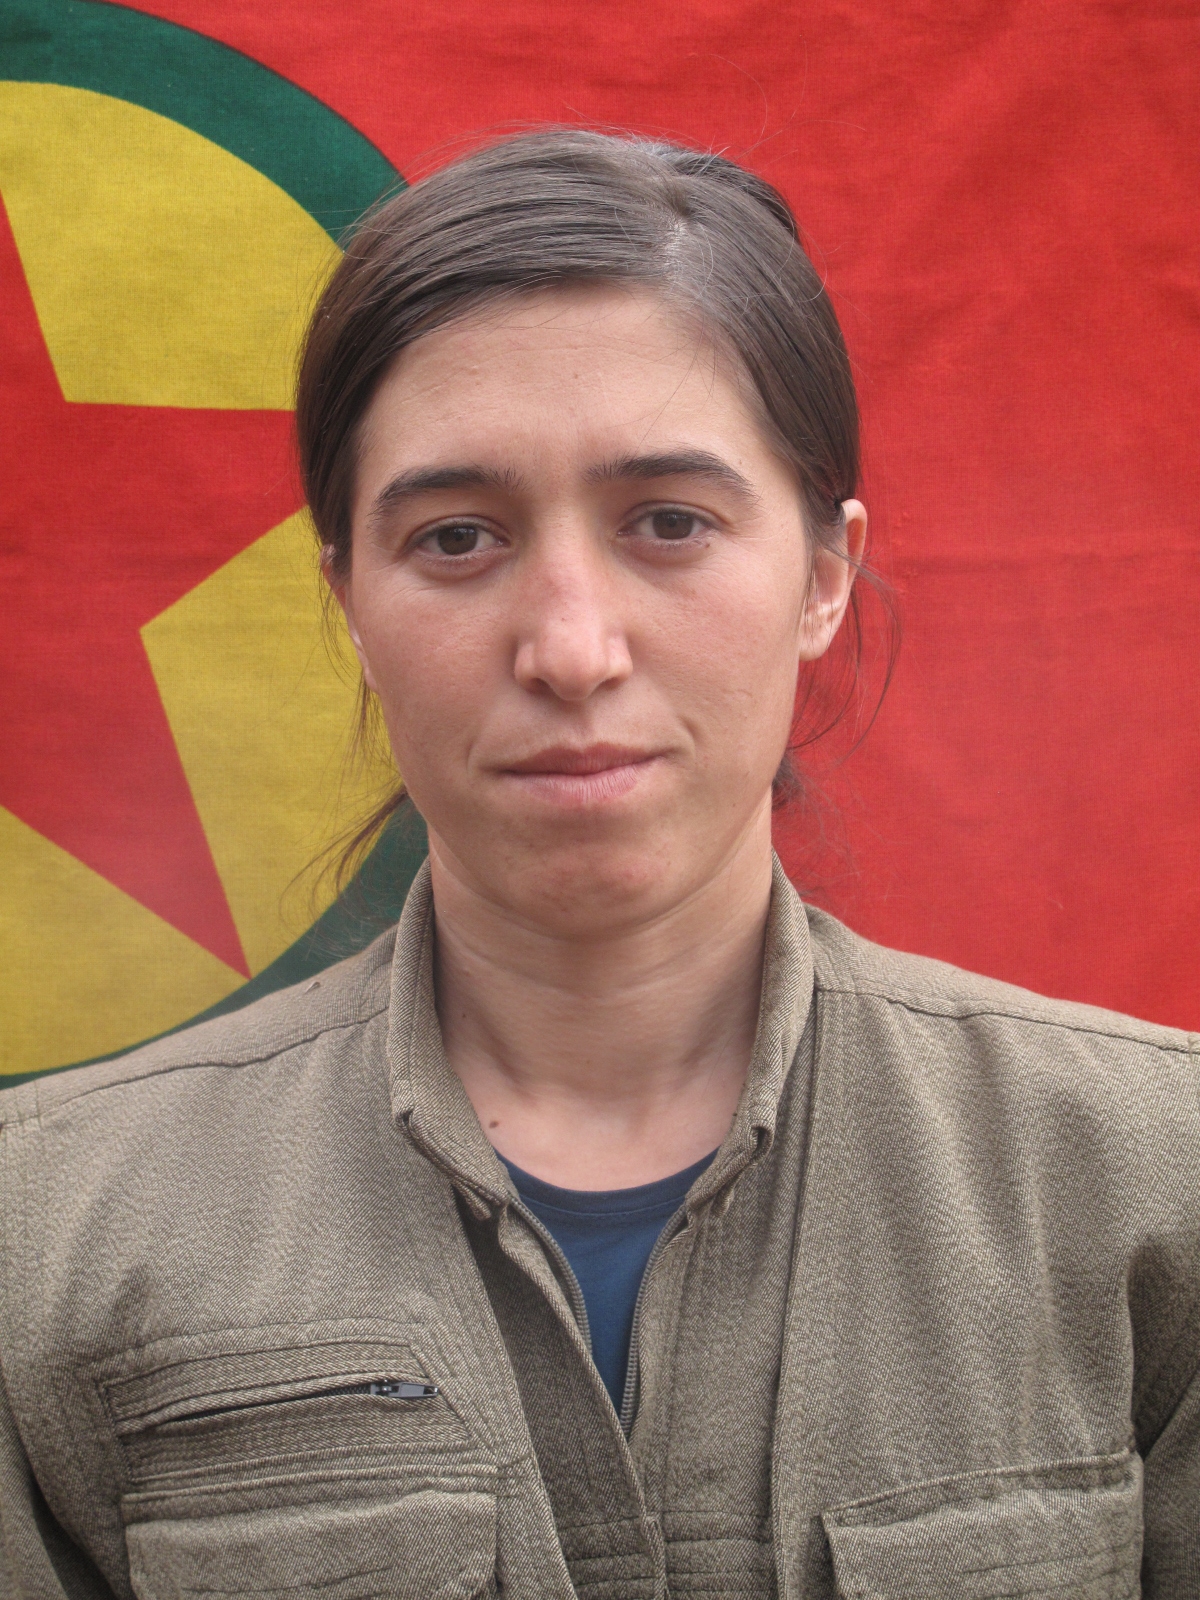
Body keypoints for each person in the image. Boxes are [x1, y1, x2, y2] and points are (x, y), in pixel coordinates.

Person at [0, 130, 1195, 1600]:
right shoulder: (45, 1236)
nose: (570, 649)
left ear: (824, 575)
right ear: (349, 603)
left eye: (670, 523)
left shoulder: (1153, 1185)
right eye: (457, 537)